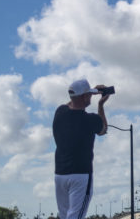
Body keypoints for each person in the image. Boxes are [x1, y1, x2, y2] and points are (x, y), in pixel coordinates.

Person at [53, 78, 109, 219]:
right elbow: (103, 130)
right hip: (81, 174)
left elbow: (69, 104)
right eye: (88, 94)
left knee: (65, 215)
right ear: (85, 97)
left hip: (60, 174)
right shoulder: (91, 120)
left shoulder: (60, 112)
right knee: (76, 216)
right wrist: (101, 104)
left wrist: (88, 92)